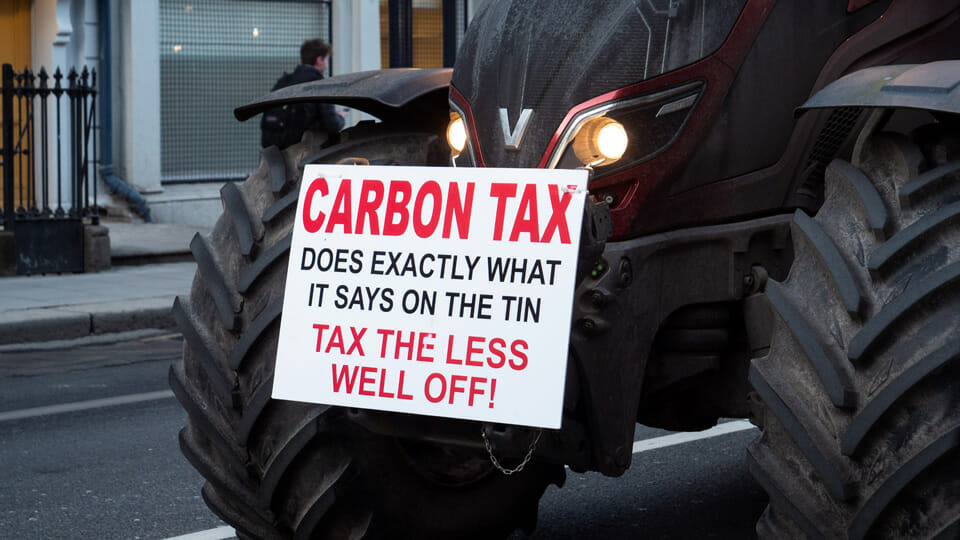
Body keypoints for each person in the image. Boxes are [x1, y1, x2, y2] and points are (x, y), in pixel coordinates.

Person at [260, 39, 345, 149]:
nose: (326, 65)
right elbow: (332, 124)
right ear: (319, 60)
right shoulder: (320, 85)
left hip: (279, 150)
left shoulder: (284, 82)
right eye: (327, 60)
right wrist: (340, 117)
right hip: (306, 151)